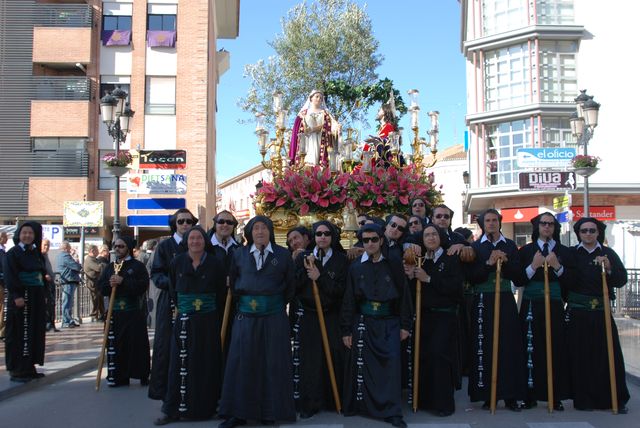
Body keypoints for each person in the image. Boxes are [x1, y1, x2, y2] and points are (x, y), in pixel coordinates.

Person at [218, 216, 296, 428]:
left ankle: (270, 412)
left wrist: (270, 304)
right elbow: (233, 283)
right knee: (241, 363)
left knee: (272, 363)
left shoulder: (283, 255)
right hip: (246, 318)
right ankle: (238, 413)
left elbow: (290, 286)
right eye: (256, 228)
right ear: (249, 232)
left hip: (273, 318)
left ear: (270, 231)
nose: (260, 232)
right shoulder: (239, 254)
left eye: (264, 228)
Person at [341, 223, 412, 428]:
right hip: (363, 323)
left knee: (389, 368)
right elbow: (349, 300)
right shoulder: (355, 267)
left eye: (374, 239)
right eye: (366, 240)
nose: (370, 243)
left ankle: (391, 412)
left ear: (381, 240)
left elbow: (405, 296)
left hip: (389, 323)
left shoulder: (394, 264)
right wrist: (346, 330)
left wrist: (405, 325)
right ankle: (362, 407)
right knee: (364, 368)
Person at [154, 227, 226, 425]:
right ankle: (172, 409)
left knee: (208, 363)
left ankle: (208, 408)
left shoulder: (215, 263)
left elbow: (220, 292)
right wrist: (186, 307)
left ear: (205, 241)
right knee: (179, 363)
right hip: (185, 320)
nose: (195, 242)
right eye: (192, 238)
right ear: (187, 241)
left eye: (199, 238)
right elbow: (173, 291)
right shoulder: (177, 262)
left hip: (208, 320)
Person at [566, 217, 630, 413]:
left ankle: (611, 399)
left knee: (607, 356)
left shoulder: (608, 253)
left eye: (592, 231)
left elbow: (621, 279)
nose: (588, 234)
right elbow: (565, 280)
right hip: (578, 312)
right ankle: (583, 399)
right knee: (580, 357)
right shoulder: (571, 254)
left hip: (601, 313)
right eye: (584, 231)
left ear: (598, 233)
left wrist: (609, 268)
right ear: (578, 233)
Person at [468, 209, 526, 411]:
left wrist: (506, 262)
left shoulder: (509, 245)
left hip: (505, 299)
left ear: (500, 222)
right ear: (482, 224)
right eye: (487, 220)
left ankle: (510, 395)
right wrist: (488, 263)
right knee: (484, 344)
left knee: (509, 345)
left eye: (494, 220)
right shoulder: (475, 247)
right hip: (483, 299)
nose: (491, 224)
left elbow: (518, 275)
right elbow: (471, 277)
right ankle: (486, 394)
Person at [404, 224, 464, 416]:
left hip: (444, 316)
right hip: (423, 316)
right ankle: (424, 401)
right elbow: (413, 292)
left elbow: (455, 288)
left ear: (440, 237)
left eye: (434, 234)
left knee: (440, 356)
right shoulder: (420, 260)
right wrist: (411, 277)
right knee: (423, 356)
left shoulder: (451, 259)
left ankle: (443, 404)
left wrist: (428, 279)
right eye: (427, 235)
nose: (430, 238)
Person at [291, 220, 348, 418]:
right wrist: (306, 273)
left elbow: (341, 291)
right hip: (309, 315)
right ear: (313, 237)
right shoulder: (304, 257)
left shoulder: (341, 260)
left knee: (333, 355)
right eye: (318, 234)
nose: (322, 237)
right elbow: (294, 287)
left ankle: (334, 401)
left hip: (331, 315)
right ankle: (310, 403)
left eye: (326, 234)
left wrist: (320, 276)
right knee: (311, 360)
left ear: (332, 237)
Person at [518, 213, 574, 410]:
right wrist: (533, 266)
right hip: (531, 305)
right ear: (537, 227)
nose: (547, 227)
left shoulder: (564, 252)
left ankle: (555, 396)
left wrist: (557, 267)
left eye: (551, 224)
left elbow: (572, 282)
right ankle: (529, 395)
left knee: (556, 348)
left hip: (555, 305)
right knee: (531, 348)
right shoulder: (526, 251)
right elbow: (518, 280)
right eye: (544, 223)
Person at [148, 208, 197, 400]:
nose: (185, 224)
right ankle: (164, 392)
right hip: (170, 302)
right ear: (174, 225)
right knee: (166, 347)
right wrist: (175, 283)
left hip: (194, 303)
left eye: (189, 221)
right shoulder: (165, 246)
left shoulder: (198, 243)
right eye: (181, 221)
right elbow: (157, 274)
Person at [98, 236, 150, 387]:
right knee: (117, 345)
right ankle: (119, 376)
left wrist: (123, 282)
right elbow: (101, 287)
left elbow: (142, 286)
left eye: (121, 246)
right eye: (116, 246)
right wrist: (110, 283)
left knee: (137, 345)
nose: (117, 249)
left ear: (128, 248)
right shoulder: (110, 267)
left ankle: (141, 374)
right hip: (115, 313)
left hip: (132, 312)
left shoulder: (137, 266)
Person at [3, 222, 48, 382]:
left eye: (30, 233)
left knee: (33, 330)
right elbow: (10, 275)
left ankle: (29, 366)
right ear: (19, 234)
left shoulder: (35, 253)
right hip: (22, 296)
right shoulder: (13, 253)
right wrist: (16, 295)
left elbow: (41, 272)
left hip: (35, 296)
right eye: (24, 233)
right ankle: (17, 369)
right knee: (19, 331)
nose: (27, 235)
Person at [208, 210, 240, 350]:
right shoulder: (205, 248)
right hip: (210, 304)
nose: (225, 225)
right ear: (215, 224)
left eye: (229, 222)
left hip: (233, 304)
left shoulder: (239, 250)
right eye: (221, 221)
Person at [289, 90, 341, 167]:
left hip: (321, 141)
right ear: (311, 98)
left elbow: (332, 127)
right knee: (306, 162)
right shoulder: (303, 114)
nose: (319, 99)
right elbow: (296, 132)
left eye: (321, 98)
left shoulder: (326, 114)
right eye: (316, 97)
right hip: (307, 142)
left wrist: (337, 127)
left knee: (318, 164)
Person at [56, 241, 82, 328]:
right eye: (69, 248)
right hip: (68, 280)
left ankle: (68, 319)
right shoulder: (65, 256)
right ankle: (66, 321)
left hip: (66, 280)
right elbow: (76, 266)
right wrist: (78, 265)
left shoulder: (59, 256)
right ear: (66, 248)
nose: (70, 250)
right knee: (67, 301)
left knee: (67, 301)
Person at [40, 239, 59, 332]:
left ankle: (51, 324)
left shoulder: (46, 256)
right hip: (44, 284)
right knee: (46, 305)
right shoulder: (39, 256)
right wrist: (45, 276)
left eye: (48, 245)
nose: (46, 247)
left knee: (51, 305)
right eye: (44, 245)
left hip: (50, 283)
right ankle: (47, 324)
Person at [84, 245, 105, 321]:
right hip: (93, 283)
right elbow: (98, 268)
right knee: (95, 300)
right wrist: (102, 265)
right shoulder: (89, 260)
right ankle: (95, 315)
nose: (98, 252)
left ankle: (101, 314)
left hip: (97, 283)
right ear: (92, 251)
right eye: (97, 250)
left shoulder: (94, 259)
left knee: (99, 299)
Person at [0, 231, 8, 339]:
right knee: (1, 307)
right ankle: (1, 331)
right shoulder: (1, 252)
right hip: (0, 283)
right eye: (6, 237)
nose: (7, 239)